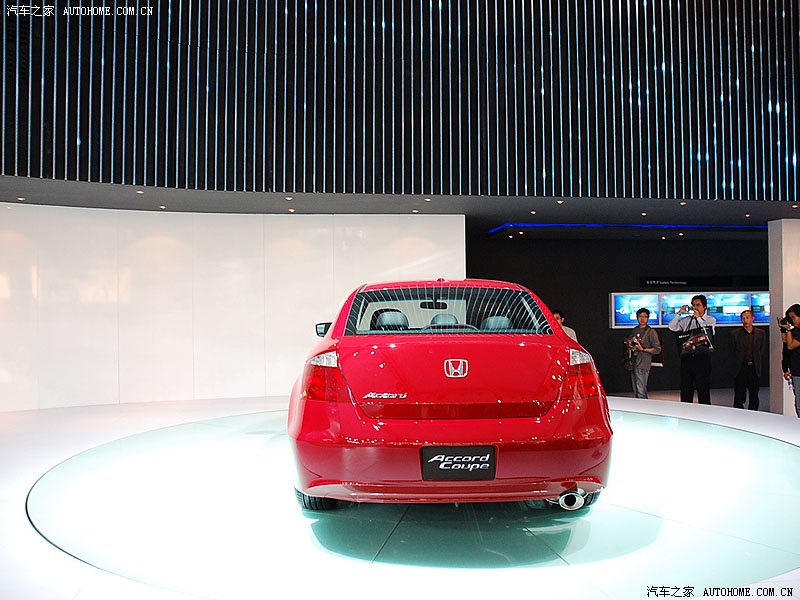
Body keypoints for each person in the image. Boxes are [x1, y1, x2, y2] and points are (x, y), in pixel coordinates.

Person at [668, 295, 717, 404]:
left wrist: (698, 318)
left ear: (704, 307)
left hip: (702, 358)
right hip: (687, 358)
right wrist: (679, 313)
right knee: (686, 389)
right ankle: (686, 411)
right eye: (693, 305)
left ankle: (705, 411)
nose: (695, 308)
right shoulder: (687, 320)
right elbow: (672, 327)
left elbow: (708, 334)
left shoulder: (711, 320)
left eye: (698, 305)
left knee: (703, 389)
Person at [729, 309, 766, 410]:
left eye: (747, 318)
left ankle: (753, 413)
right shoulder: (734, 334)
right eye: (743, 318)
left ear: (753, 318)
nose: (745, 320)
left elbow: (761, 349)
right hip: (741, 367)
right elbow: (732, 351)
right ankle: (738, 413)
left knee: (754, 393)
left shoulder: (761, 333)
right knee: (739, 394)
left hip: (754, 367)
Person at [624, 308, 661, 399]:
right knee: (636, 390)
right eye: (640, 316)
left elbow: (657, 349)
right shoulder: (635, 330)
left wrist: (643, 349)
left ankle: (644, 406)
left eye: (645, 317)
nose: (642, 319)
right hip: (634, 362)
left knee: (641, 391)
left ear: (648, 318)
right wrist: (630, 344)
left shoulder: (651, 332)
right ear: (637, 317)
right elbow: (631, 345)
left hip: (643, 363)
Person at [780, 304, 800, 417]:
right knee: (798, 402)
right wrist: (783, 328)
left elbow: (791, 345)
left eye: (793, 317)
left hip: (798, 371)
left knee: (799, 403)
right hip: (795, 370)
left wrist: (788, 330)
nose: (792, 320)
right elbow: (785, 343)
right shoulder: (795, 330)